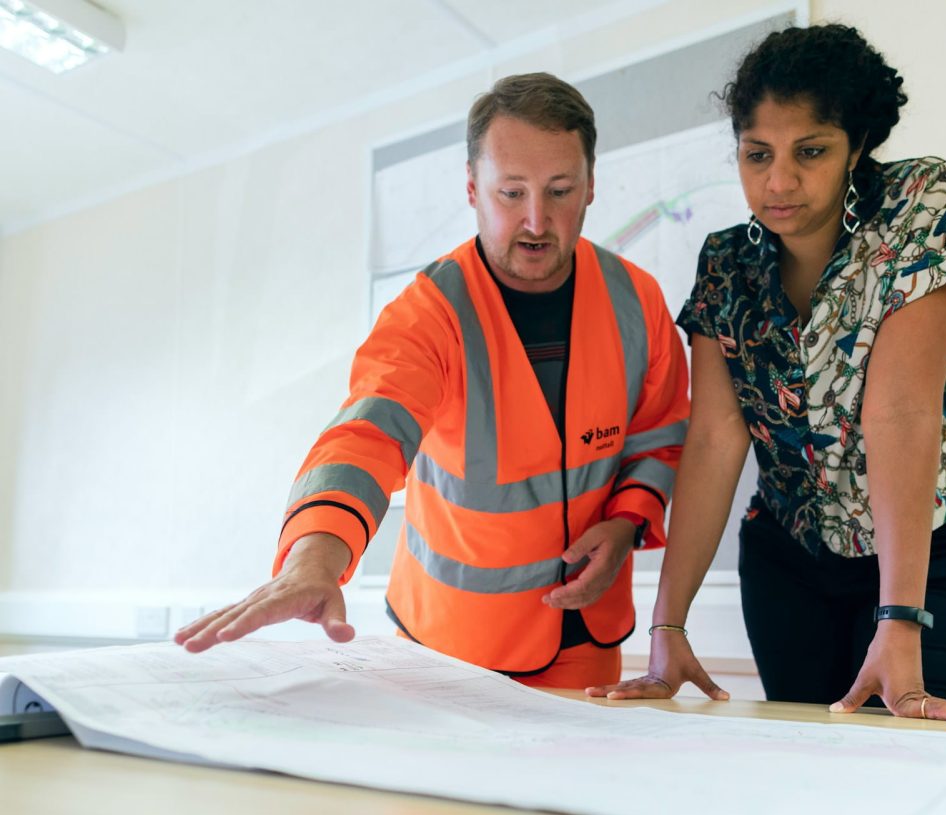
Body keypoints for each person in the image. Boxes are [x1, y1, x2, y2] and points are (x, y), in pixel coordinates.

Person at [176, 72, 690, 690]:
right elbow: (367, 435)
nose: (536, 220)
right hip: (451, 648)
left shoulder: (638, 300)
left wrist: (627, 520)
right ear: (473, 188)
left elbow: (657, 436)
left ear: (591, 188)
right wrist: (314, 559)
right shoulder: (427, 313)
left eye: (560, 191)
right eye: (510, 193)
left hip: (586, 636)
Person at [587, 24, 946, 724]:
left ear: (856, 147)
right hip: (790, 568)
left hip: (935, 558)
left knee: (918, 770)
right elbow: (718, 441)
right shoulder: (726, 264)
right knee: (813, 781)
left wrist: (899, 619)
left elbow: (899, 409)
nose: (778, 182)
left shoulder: (918, 202)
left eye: (810, 152)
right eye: (757, 154)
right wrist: (668, 628)